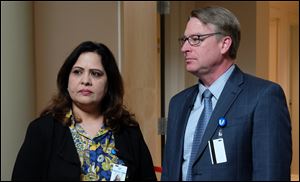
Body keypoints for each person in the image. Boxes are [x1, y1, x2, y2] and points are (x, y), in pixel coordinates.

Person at [161, 6, 292, 181]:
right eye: (184, 39)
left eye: (196, 39)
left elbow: (270, 175)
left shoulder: (263, 97)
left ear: (224, 44)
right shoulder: (178, 103)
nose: (184, 48)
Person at [12, 41, 157, 181]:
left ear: (109, 84)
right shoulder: (41, 131)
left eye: (95, 74)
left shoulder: (129, 131)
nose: (85, 80)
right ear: (67, 80)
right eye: (77, 72)